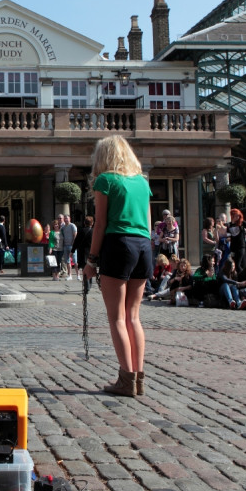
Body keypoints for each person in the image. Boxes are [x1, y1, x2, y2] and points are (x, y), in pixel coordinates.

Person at [83, 135, 152, 397]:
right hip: (143, 246)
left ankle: (125, 379)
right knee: (134, 316)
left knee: (117, 317)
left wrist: (91, 261)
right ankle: (139, 378)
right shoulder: (142, 183)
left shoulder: (106, 180)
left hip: (118, 244)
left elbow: (100, 224)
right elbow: (146, 221)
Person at [73, 217, 93, 287]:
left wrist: (72, 250)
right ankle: (89, 282)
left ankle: (86, 282)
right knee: (91, 266)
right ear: (92, 223)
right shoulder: (93, 231)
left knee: (84, 267)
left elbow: (76, 242)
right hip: (91, 252)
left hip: (82, 252)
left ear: (84, 223)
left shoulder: (81, 231)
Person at [59, 214, 77, 281]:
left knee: (75, 261)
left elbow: (75, 235)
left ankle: (78, 275)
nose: (66, 219)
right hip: (65, 246)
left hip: (72, 246)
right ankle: (70, 275)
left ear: (70, 219)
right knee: (68, 261)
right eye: (65, 218)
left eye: (67, 218)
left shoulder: (72, 225)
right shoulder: (63, 227)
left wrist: (73, 244)